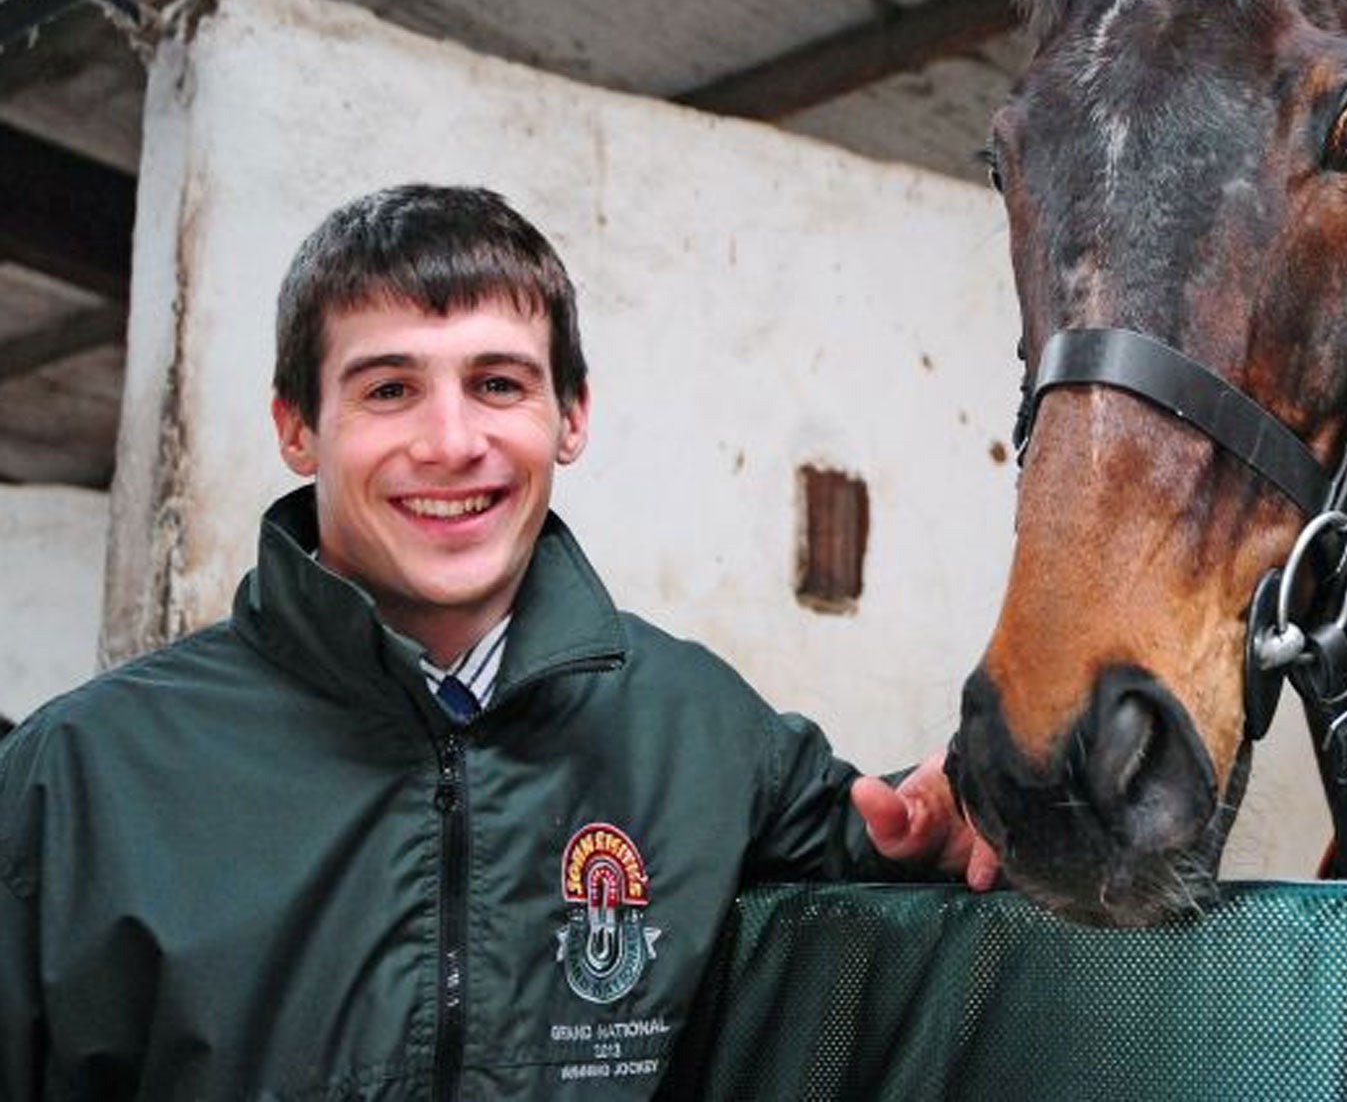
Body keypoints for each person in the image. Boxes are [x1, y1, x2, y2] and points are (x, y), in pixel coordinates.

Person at [0, 184, 996, 1098]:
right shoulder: (78, 778)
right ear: (298, 427)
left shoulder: (700, 732)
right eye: (388, 389)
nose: (449, 441)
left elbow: (873, 839)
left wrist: (967, 804)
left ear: (571, 416)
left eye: (498, 385)